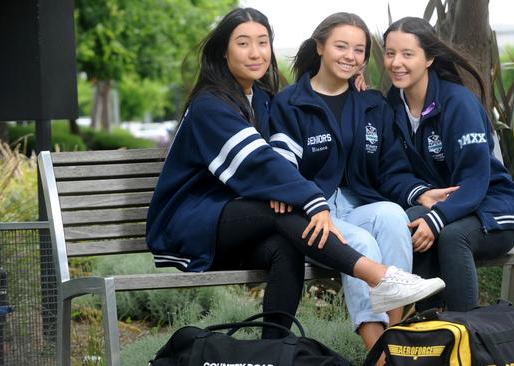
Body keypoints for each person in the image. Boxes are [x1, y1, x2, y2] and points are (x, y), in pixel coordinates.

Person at [146, 7, 444, 339]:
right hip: (194, 219)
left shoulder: (261, 98)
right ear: (223, 51)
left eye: (263, 42)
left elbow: (283, 148)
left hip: (238, 219)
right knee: (279, 208)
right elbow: (257, 160)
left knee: (285, 245)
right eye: (243, 43)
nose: (256, 52)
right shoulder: (209, 105)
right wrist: (311, 200)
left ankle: (274, 350)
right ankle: (378, 276)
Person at [268, 12, 450, 349]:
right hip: (312, 214)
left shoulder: (370, 104)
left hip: (358, 203)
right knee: (362, 244)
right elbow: (280, 165)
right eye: (341, 46)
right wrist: (289, 191)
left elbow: (391, 167)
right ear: (320, 46)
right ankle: (377, 356)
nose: (349, 56)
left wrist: (421, 194)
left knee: (393, 216)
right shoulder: (290, 102)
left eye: (359, 50)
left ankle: (395, 344)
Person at [382, 17, 514, 312]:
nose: (397, 62)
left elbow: (475, 180)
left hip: (493, 210)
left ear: (429, 58)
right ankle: (430, 332)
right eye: (389, 53)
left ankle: (466, 334)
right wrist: (421, 194)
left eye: (407, 54)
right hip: (443, 208)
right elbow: (391, 170)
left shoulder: (458, 102)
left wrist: (437, 218)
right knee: (411, 221)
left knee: (449, 235)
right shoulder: (393, 103)